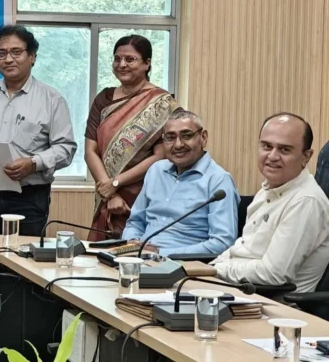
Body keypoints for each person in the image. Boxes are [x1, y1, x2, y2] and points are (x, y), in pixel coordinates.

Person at [0, 25, 76, 236]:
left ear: (32, 57)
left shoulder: (51, 98)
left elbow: (66, 148)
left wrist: (33, 163)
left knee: (23, 261)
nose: (8, 59)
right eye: (1, 53)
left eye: (16, 52)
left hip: (29, 198)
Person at [212, 113, 329, 293]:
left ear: (306, 156)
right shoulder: (267, 190)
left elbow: (274, 274)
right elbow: (242, 247)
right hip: (239, 292)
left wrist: (215, 271)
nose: (272, 156)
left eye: (284, 150)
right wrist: (211, 267)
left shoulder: (306, 201)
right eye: (266, 146)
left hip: (275, 307)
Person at [85, 35, 180, 241]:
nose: (122, 64)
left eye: (130, 59)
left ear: (147, 64)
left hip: (142, 195)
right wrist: (109, 191)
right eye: (117, 59)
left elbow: (160, 156)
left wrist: (116, 183)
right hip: (105, 195)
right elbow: (90, 150)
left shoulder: (161, 103)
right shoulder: (104, 99)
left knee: (135, 253)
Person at [121, 110, 239, 256]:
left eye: (187, 136)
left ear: (203, 137)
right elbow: (135, 222)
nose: (178, 145)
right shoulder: (156, 171)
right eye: (170, 138)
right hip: (139, 258)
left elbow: (222, 243)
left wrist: (161, 253)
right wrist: (132, 242)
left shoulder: (219, 180)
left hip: (184, 266)